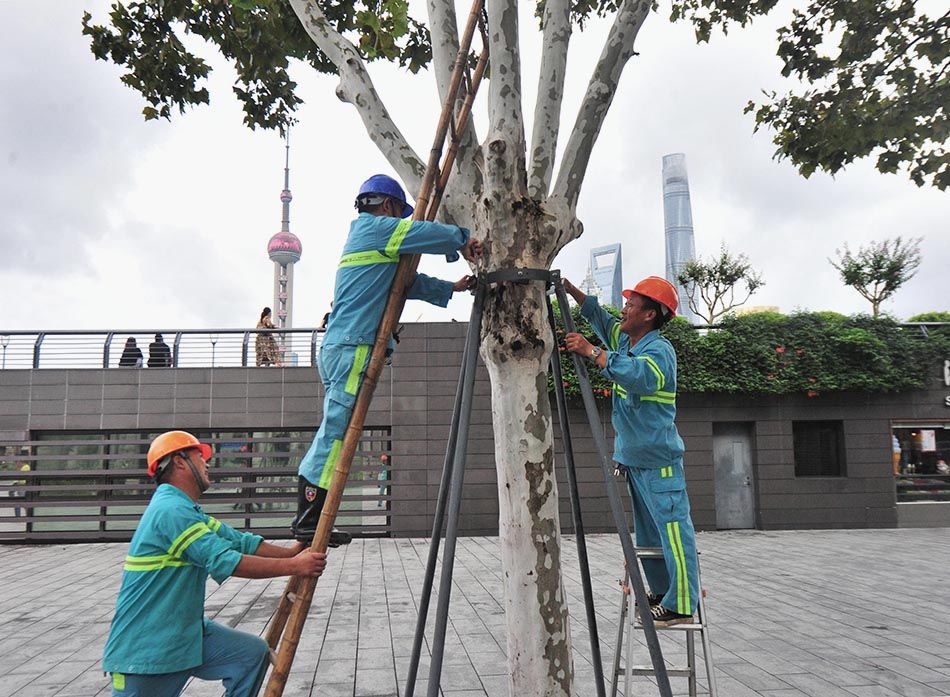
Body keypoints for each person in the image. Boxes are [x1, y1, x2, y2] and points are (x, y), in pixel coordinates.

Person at [292, 173, 482, 543]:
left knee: (336, 429)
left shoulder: (372, 239)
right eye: (400, 213)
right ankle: (308, 517)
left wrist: (452, 288)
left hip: (343, 347)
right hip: (351, 347)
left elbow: (406, 283)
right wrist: (462, 239)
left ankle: (311, 515)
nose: (401, 219)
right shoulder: (378, 230)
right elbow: (425, 234)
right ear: (390, 206)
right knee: (335, 434)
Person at [102, 430, 327, 697]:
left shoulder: (186, 510)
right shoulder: (170, 512)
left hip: (185, 636)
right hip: (146, 651)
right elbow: (225, 561)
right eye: (200, 456)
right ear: (180, 462)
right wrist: (295, 567)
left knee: (250, 655)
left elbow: (237, 541)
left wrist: (291, 553)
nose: (207, 463)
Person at [562, 275, 699, 627]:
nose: (623, 310)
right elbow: (600, 318)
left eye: (632, 305)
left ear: (650, 315)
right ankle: (661, 591)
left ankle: (682, 602)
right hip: (636, 462)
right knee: (650, 533)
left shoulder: (658, 351)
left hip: (659, 461)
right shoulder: (625, 341)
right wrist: (571, 290)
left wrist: (592, 352)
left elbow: (640, 376)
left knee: (672, 530)